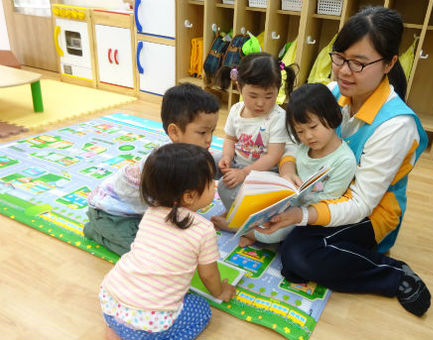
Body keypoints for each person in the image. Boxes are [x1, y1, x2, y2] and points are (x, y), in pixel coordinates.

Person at [258, 7, 431, 317]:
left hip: (370, 209)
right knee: (262, 179)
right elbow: (293, 140)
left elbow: (362, 202)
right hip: (323, 189)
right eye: (339, 57)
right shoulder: (332, 92)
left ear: (390, 63)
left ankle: (393, 273)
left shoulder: (395, 125)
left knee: (298, 252)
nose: (343, 71)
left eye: (359, 63)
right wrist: (286, 167)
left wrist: (303, 215)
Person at [99, 143, 236, 340]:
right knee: (202, 311)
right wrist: (221, 291)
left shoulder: (151, 212)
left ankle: (116, 332)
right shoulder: (204, 230)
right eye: (210, 183)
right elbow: (207, 275)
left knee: (135, 313)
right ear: (189, 196)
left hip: (110, 301)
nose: (214, 185)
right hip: (148, 322)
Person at [84, 83, 220, 255]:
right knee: (143, 252)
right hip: (110, 212)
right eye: (202, 133)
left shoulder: (189, 156)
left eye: (212, 132)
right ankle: (95, 231)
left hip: (142, 211)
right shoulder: (165, 165)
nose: (209, 140)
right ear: (174, 132)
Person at [239, 83, 356, 248]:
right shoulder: (303, 145)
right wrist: (287, 174)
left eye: (313, 127)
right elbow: (288, 158)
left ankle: (239, 229)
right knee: (248, 191)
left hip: (306, 214)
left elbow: (326, 203)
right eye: (300, 131)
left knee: (275, 232)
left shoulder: (344, 160)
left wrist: (293, 209)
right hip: (285, 201)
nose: (308, 136)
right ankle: (248, 228)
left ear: (332, 116)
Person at [211, 52, 297, 230]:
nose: (260, 103)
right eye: (253, 95)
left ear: (277, 90)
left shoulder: (278, 117)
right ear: (239, 86)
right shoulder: (236, 110)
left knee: (226, 190)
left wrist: (244, 173)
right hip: (237, 162)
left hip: (263, 172)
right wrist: (226, 156)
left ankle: (239, 223)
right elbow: (229, 138)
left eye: (268, 96)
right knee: (206, 162)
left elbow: (273, 156)